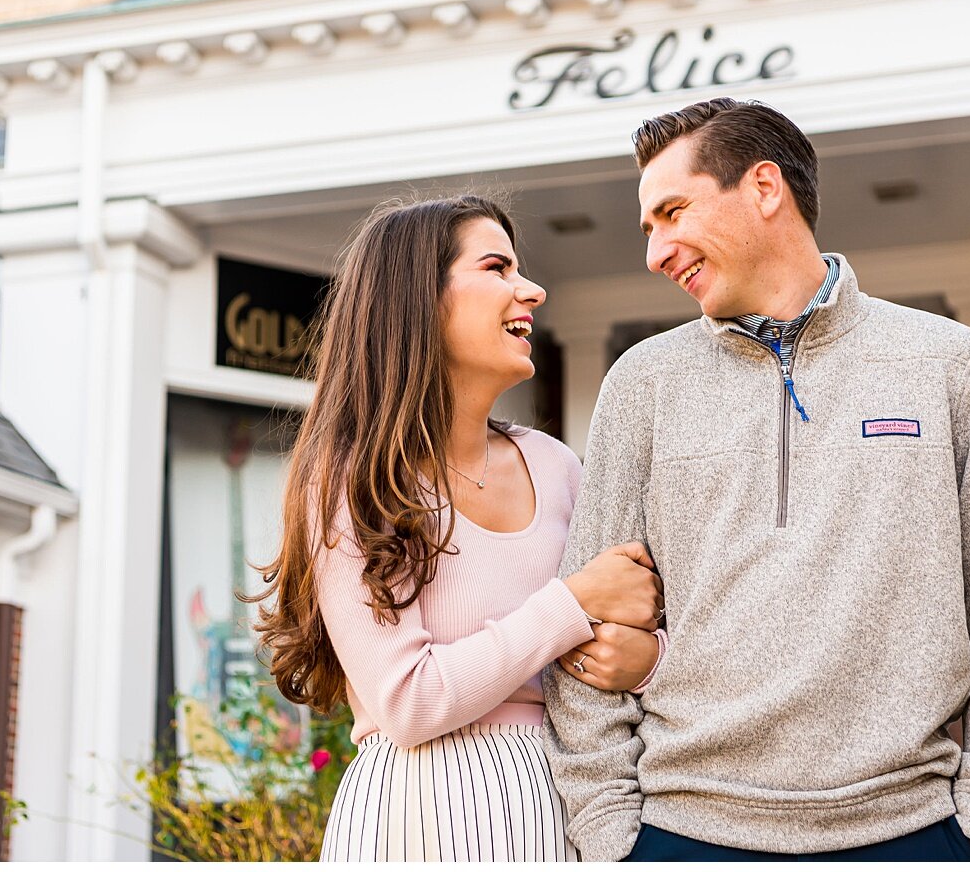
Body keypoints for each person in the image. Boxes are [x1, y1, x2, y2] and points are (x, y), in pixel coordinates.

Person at [542, 98, 970, 862]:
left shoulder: (948, 364)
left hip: (911, 832)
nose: (656, 251)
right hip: (682, 836)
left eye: (673, 212)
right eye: (649, 228)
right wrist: (611, 834)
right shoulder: (642, 386)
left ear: (764, 188)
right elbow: (585, 623)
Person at [248, 194, 668, 862]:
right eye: (497, 267)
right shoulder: (349, 482)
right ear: (418, 300)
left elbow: (638, 629)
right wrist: (573, 602)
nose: (530, 289)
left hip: (565, 806)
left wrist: (649, 664)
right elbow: (409, 704)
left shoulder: (556, 466)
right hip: (418, 815)